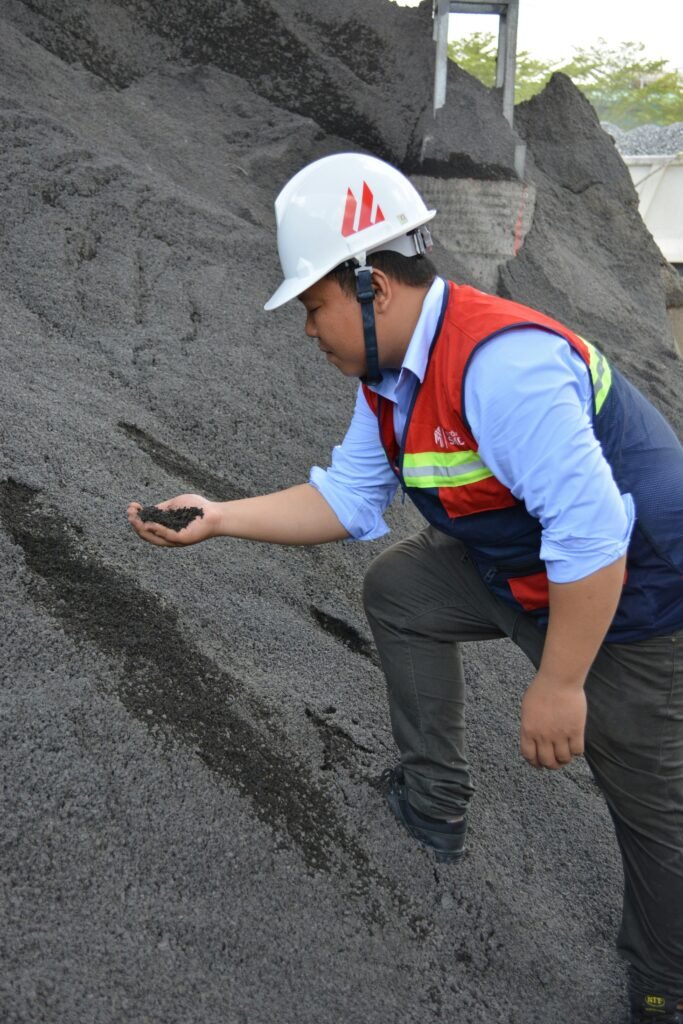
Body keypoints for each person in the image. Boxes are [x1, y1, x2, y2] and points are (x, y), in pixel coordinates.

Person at [128, 152, 683, 1024]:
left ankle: (662, 984)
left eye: (313, 307)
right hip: (524, 565)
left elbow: (593, 537)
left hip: (635, 595)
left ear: (372, 287)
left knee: (648, 801)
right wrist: (221, 516)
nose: (308, 330)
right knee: (402, 588)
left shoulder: (503, 366)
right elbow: (347, 500)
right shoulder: (388, 379)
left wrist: (560, 683)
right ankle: (434, 807)